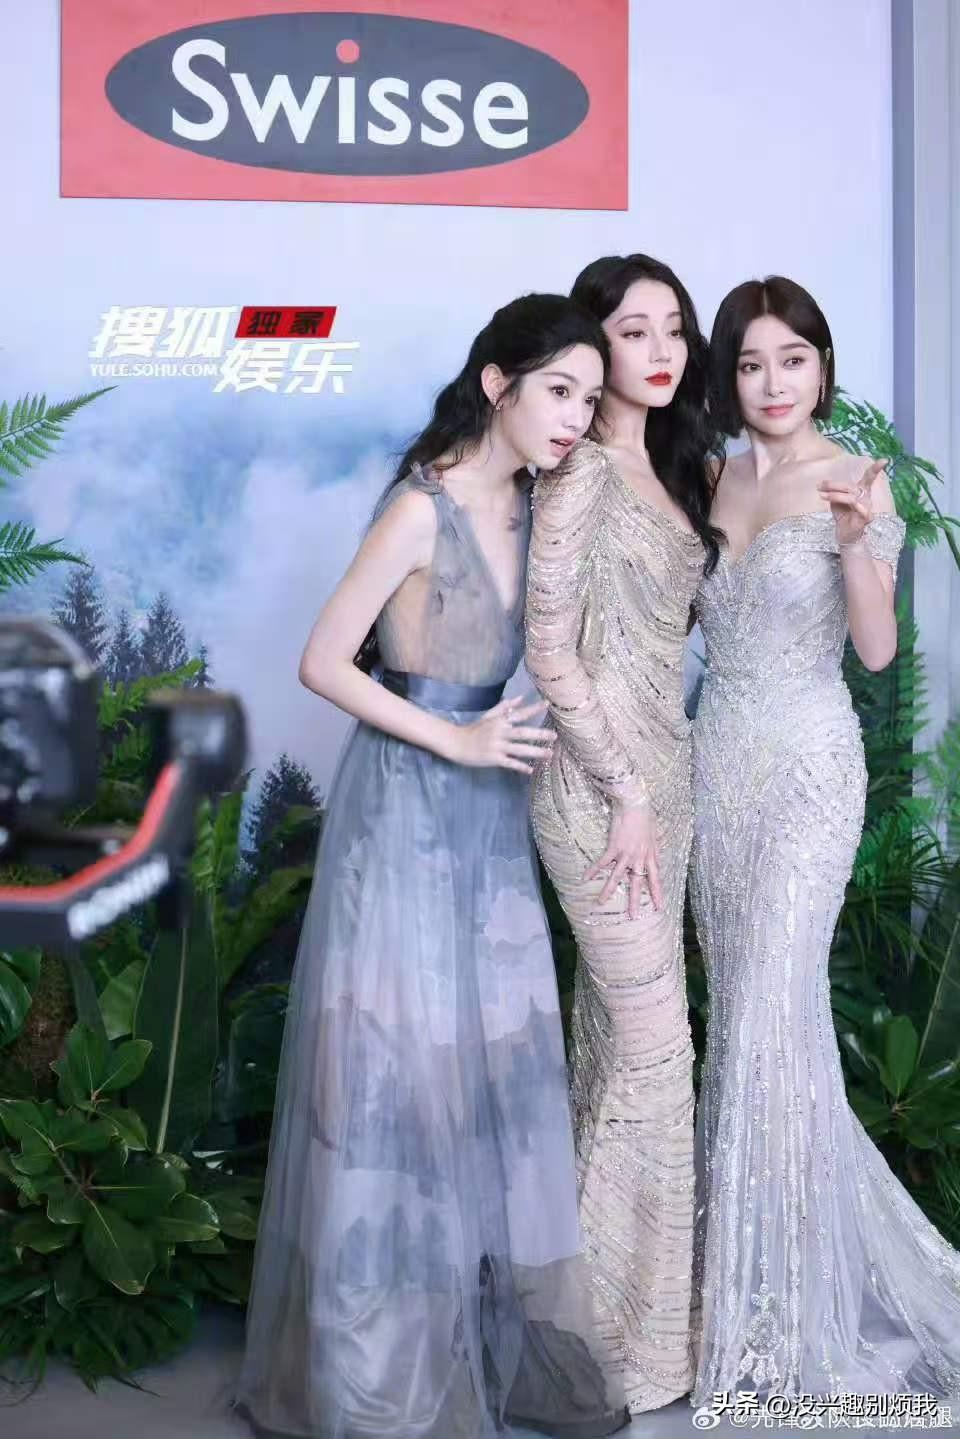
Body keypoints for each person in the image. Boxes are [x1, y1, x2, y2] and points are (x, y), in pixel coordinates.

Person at [234, 293, 628, 1439]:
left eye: (588, 398)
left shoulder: (541, 506)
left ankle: (484, 1345)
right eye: (557, 390)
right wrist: (454, 739)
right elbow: (322, 659)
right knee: (396, 1073)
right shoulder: (422, 506)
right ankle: (374, 1380)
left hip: (491, 822)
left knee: (490, 1072)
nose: (574, 416)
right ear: (497, 385)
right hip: (404, 812)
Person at [690, 275, 960, 1405]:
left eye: (793, 360)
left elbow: (878, 649)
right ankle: (746, 1285)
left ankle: (788, 1308)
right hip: (715, 769)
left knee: (770, 1008)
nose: (773, 382)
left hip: (808, 765)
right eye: (752, 363)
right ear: (729, 374)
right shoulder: (707, 475)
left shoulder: (857, 475)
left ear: (823, 367)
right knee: (746, 1022)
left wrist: (855, 540)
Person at [524, 254, 721, 1414]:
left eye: (674, 328)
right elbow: (551, 653)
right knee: (655, 1055)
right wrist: (629, 788)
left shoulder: (676, 466)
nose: (659, 349)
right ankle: (594, 1351)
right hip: (602, 797)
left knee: (613, 1046)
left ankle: (626, 1333)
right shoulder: (581, 472)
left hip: (669, 788)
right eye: (633, 328)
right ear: (592, 344)